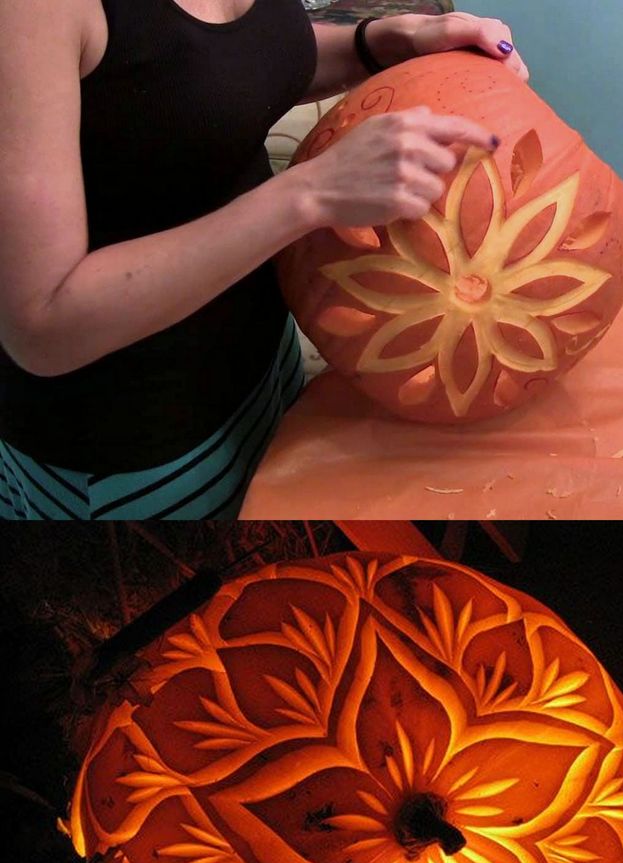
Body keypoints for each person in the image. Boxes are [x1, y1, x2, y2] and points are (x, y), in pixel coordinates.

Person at [0, 0, 528, 520]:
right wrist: (310, 195)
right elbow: (41, 326)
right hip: (137, 437)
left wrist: (379, 43)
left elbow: (215, 73)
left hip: (261, 355)